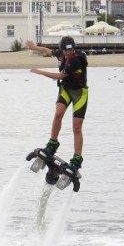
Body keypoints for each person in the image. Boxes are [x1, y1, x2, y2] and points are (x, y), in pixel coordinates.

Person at [24, 35, 88, 175]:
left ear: (74, 49)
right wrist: (34, 47)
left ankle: (77, 160)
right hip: (65, 90)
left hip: (80, 94)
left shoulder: (76, 60)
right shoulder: (61, 53)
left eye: (70, 51)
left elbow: (59, 76)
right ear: (62, 50)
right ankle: (52, 144)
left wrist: (40, 72)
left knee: (76, 127)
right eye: (65, 51)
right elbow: (48, 51)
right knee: (58, 113)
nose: (68, 53)